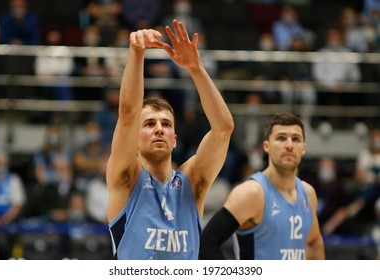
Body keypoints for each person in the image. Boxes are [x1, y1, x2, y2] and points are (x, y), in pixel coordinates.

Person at [107, 19, 234, 260]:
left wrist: (196, 69)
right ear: (135, 137)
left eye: (166, 124)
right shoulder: (126, 177)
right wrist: (136, 53)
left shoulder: (192, 181)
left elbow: (223, 129)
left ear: (174, 139)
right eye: (149, 124)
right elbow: (127, 114)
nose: (159, 129)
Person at [199, 112, 325, 260]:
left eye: (296, 139)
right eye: (281, 138)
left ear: (303, 148)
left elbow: (314, 242)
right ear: (266, 146)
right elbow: (205, 243)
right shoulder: (252, 192)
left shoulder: (308, 193)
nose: (289, 145)